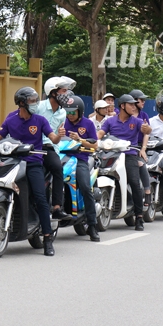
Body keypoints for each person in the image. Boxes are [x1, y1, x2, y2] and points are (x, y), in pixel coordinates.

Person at [0, 87, 62, 255]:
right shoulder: (11, 119)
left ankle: (47, 236)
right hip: (12, 161)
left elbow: (53, 138)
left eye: (35, 100)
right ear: (21, 102)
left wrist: (59, 135)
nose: (35, 103)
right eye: (31, 101)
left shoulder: (40, 120)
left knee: (40, 197)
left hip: (33, 163)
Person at [97, 94, 150, 230]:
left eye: (134, 104)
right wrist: (94, 140)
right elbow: (100, 134)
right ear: (122, 106)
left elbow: (147, 130)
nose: (134, 106)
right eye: (131, 104)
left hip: (129, 155)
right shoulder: (110, 121)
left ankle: (139, 217)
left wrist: (146, 131)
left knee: (134, 181)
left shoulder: (137, 121)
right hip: (111, 154)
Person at [37, 76, 76, 220]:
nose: (66, 95)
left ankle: (57, 207)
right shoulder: (39, 106)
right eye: (63, 91)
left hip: (49, 148)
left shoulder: (63, 112)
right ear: (53, 92)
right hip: (32, 146)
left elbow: (56, 137)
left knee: (58, 168)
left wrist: (59, 136)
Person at [61, 95, 100, 241]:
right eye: (68, 112)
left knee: (85, 187)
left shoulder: (88, 124)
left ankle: (92, 225)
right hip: (62, 158)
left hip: (80, 159)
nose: (70, 115)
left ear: (80, 111)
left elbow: (94, 145)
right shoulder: (62, 123)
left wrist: (80, 140)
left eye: (73, 112)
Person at [129, 89, 153, 206]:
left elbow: (147, 133)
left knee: (141, 164)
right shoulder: (123, 115)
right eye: (141, 100)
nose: (144, 102)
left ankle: (147, 192)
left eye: (144, 100)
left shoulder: (144, 116)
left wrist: (143, 149)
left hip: (137, 147)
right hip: (122, 147)